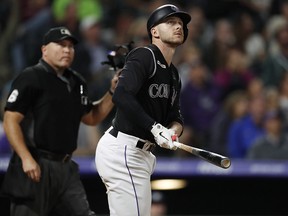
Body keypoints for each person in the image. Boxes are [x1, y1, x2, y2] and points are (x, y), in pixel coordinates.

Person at [0, 26, 118, 216]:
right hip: (36, 164)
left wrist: (112, 92)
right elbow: (10, 120)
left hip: (66, 167)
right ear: (44, 49)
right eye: (61, 45)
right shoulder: (31, 77)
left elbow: (91, 117)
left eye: (70, 46)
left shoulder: (77, 81)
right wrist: (26, 158)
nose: (67, 50)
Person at [95, 4, 191, 216]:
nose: (178, 27)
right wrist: (155, 127)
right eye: (171, 22)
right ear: (154, 31)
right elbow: (121, 95)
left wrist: (172, 131)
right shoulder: (145, 55)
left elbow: (176, 116)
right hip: (124, 150)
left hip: (140, 154)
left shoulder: (174, 74)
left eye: (180, 24)